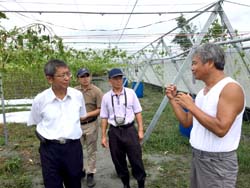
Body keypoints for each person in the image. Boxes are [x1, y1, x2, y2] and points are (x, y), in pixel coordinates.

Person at [166, 43, 245, 188]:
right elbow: (186, 122)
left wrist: (191, 106)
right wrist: (172, 100)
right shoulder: (203, 92)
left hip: (217, 163)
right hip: (198, 157)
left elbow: (221, 129)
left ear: (209, 63)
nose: (192, 68)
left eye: (195, 63)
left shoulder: (230, 89)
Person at [27, 59, 87, 188]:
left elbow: (82, 116)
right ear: (50, 79)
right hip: (50, 150)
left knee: (75, 182)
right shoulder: (40, 100)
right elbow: (37, 121)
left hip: (73, 148)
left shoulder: (77, 96)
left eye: (68, 74)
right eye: (62, 75)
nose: (67, 78)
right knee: (52, 184)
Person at [100, 68, 146, 188]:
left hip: (129, 130)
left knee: (136, 159)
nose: (118, 80)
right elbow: (104, 117)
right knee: (118, 160)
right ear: (110, 80)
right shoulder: (106, 97)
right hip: (114, 132)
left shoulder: (131, 93)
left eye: (120, 78)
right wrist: (104, 136)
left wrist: (140, 130)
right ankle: (126, 184)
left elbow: (138, 112)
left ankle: (141, 183)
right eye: (115, 78)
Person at [75, 68, 103, 187]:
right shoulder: (74, 91)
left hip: (91, 124)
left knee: (91, 150)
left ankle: (90, 173)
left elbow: (100, 109)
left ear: (90, 77)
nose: (85, 78)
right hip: (76, 125)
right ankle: (80, 170)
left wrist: (86, 115)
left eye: (87, 76)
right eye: (82, 76)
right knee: (76, 150)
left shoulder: (97, 91)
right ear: (78, 79)